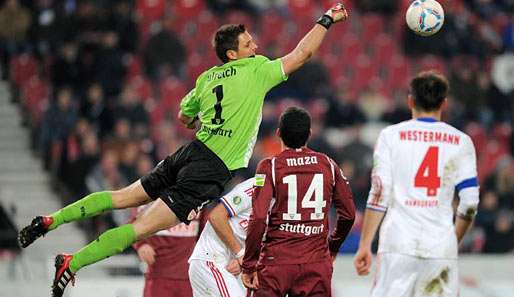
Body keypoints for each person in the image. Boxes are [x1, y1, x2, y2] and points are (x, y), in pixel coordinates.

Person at [17, 3, 349, 297]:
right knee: (140, 228)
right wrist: (326, 20)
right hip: (210, 169)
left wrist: (196, 120)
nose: (256, 45)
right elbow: (302, 54)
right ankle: (73, 262)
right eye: (249, 44)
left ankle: (51, 220)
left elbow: (184, 113)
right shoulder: (257, 70)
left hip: (190, 152)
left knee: (123, 196)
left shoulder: (207, 78)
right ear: (233, 53)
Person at [353, 71, 480, 297]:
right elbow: (470, 202)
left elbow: (379, 194)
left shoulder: (390, 136)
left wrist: (364, 244)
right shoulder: (461, 141)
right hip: (440, 245)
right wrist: (452, 239)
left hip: (398, 243)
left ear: (410, 100)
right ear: (444, 103)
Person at [241, 107, 356, 297]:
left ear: (278, 133)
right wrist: (333, 246)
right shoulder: (328, 164)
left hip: (276, 262)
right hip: (316, 262)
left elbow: (259, 217)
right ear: (309, 134)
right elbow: (349, 214)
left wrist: (249, 264)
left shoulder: (270, 166)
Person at [188, 178, 255, 297]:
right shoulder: (255, 187)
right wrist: (240, 254)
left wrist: (245, 260)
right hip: (212, 261)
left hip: (233, 267)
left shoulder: (290, 202)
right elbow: (216, 216)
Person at [131, 203, 200, 297]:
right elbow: (132, 225)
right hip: (159, 275)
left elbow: (206, 230)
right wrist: (141, 245)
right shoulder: (150, 199)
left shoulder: (199, 200)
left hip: (189, 277)